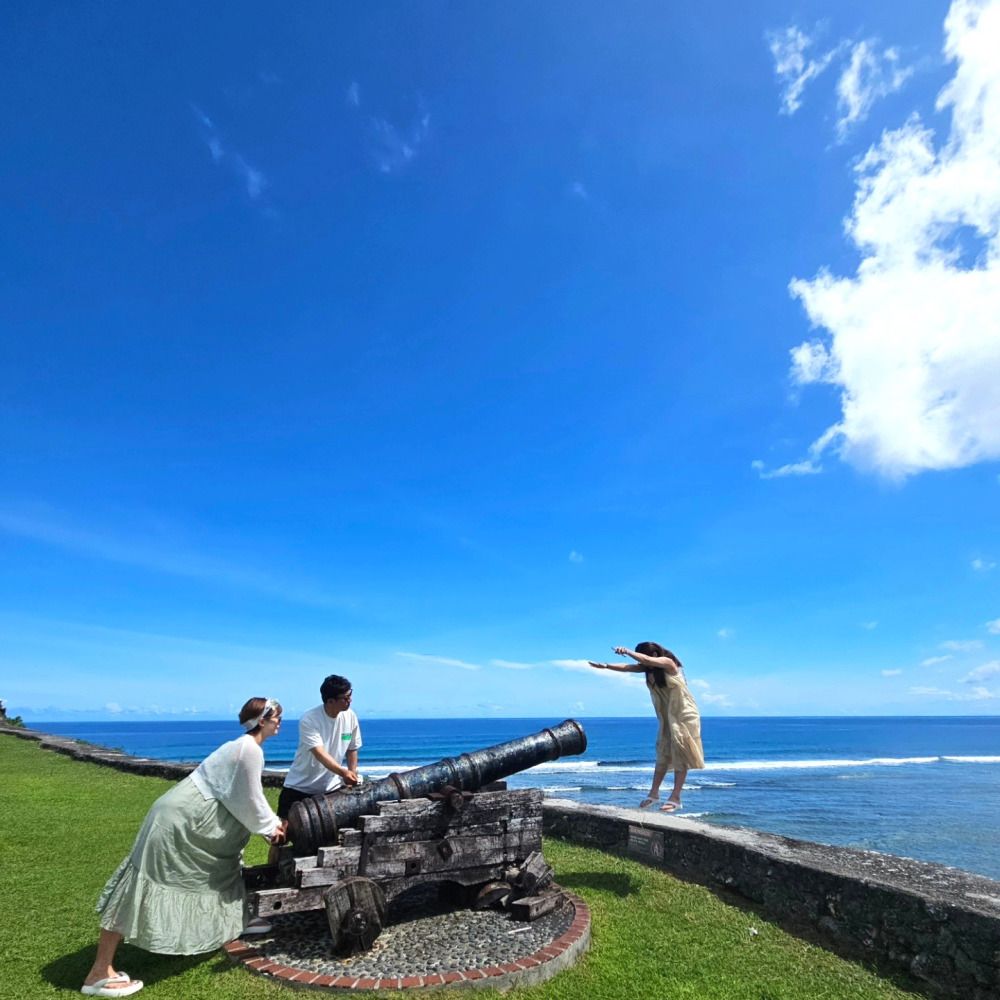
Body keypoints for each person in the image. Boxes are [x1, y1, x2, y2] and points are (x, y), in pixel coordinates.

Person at [80, 698, 287, 997]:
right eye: (276, 716)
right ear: (262, 721)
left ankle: (235, 920)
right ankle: (99, 972)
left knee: (220, 871)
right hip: (180, 823)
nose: (280, 721)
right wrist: (271, 828)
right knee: (140, 884)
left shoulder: (243, 746)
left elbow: (241, 796)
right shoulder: (250, 750)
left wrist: (269, 824)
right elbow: (250, 798)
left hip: (184, 818)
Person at [589, 642, 705, 812]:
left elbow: (645, 660)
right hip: (667, 716)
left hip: (684, 713)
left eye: (643, 657)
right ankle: (654, 793)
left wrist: (627, 651)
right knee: (663, 751)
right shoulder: (649, 669)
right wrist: (606, 666)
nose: (640, 663)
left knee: (681, 751)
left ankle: (676, 797)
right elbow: (627, 667)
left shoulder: (668, 663)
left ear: (655, 655)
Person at [277, 675, 362, 823]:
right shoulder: (309, 719)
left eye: (350, 694)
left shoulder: (350, 716)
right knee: (282, 831)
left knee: (331, 833)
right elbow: (319, 753)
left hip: (331, 788)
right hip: (300, 786)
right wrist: (344, 772)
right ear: (330, 701)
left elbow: (352, 748)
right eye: (346, 697)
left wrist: (352, 774)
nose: (350, 700)